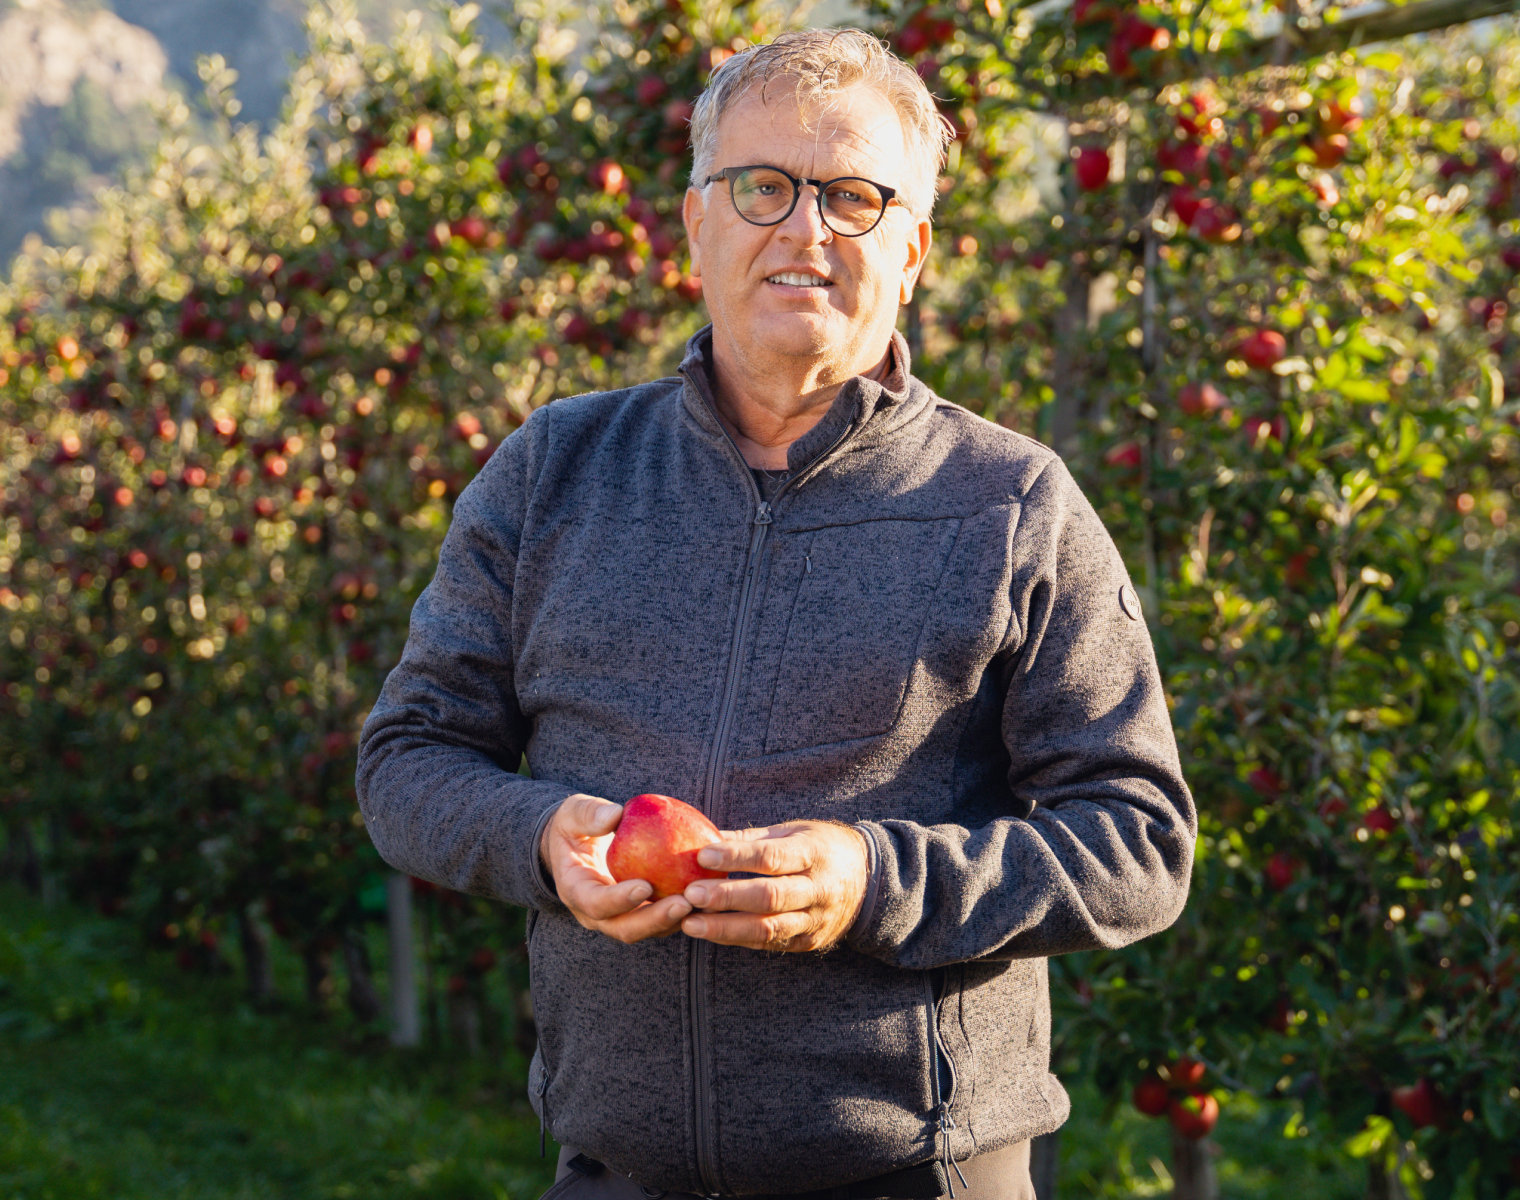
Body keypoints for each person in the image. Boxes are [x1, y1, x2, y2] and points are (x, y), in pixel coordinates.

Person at [356, 27, 1193, 1200]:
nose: (805, 230)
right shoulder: (555, 473)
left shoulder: (1010, 502)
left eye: (854, 197)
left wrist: (873, 881)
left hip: (920, 1176)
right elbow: (406, 761)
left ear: (913, 249)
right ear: (697, 223)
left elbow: (1137, 841)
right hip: (616, 1174)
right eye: (763, 188)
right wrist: (542, 838)